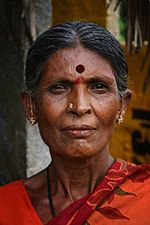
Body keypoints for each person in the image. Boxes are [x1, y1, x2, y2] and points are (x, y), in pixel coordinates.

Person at [0, 21, 150, 225]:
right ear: (31, 106)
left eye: (98, 87)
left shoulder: (145, 198)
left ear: (122, 106)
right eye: (59, 87)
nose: (79, 107)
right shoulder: (6, 208)